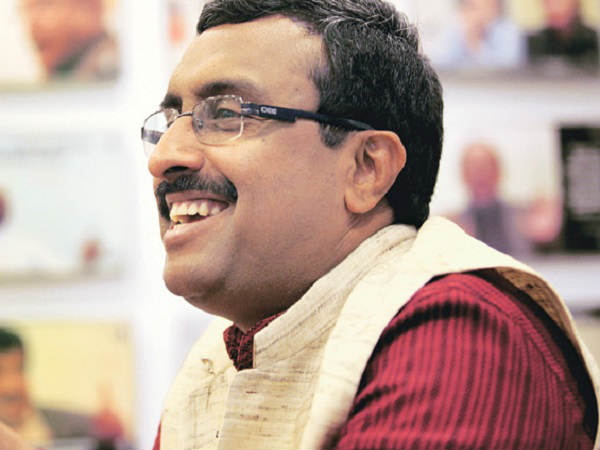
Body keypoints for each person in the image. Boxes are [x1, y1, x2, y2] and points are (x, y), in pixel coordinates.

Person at [140, 1, 598, 449]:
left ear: (366, 169)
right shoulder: (224, 358)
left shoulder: (462, 330)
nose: (163, 157)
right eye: (171, 120)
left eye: (226, 114)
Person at [454, 141, 532, 256]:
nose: (480, 175)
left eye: (484, 167)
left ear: (498, 170)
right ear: (464, 174)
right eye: (474, 168)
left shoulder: (524, 218)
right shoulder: (454, 227)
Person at [19, 0, 119, 81]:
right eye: (27, 11)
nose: (33, 24)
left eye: (45, 5)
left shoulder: (113, 72)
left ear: (91, 6)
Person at [430, 0, 525, 70]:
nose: (478, 13)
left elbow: (508, 70)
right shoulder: (455, 28)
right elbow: (440, 63)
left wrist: (475, 44)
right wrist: (467, 33)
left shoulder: (508, 31)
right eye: (471, 6)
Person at [527, 0, 599, 71]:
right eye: (549, 3)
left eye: (559, 3)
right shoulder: (537, 41)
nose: (554, 8)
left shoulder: (590, 38)